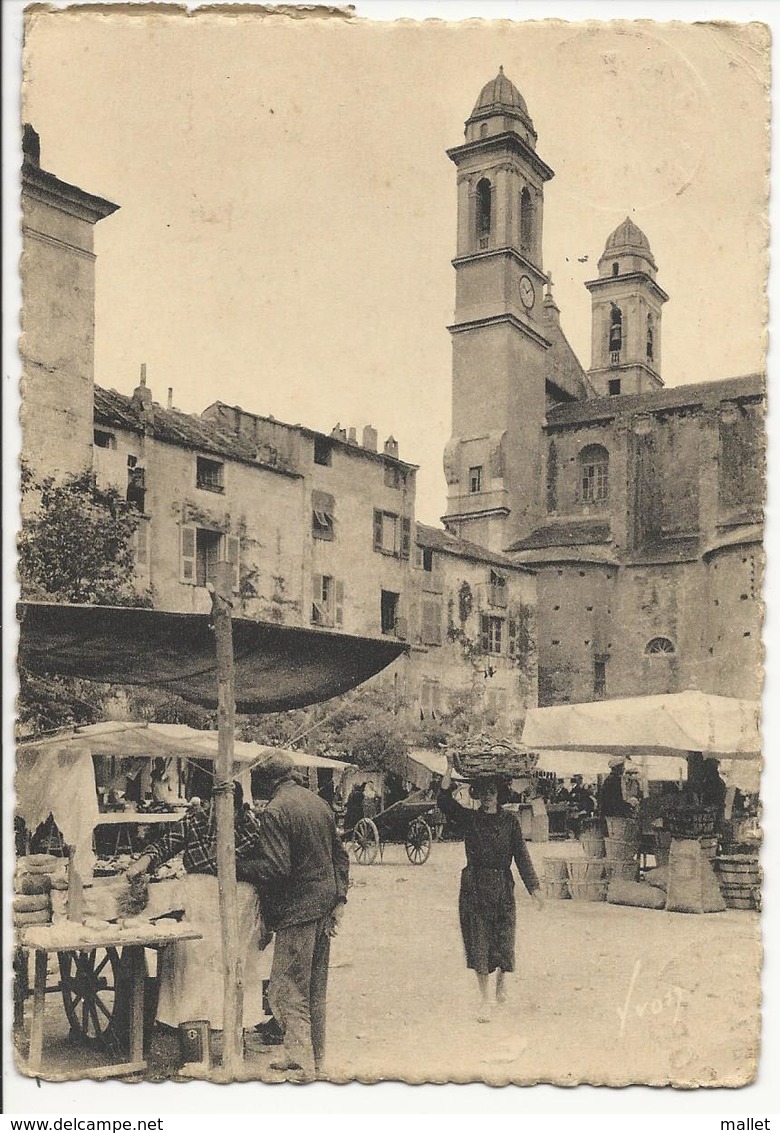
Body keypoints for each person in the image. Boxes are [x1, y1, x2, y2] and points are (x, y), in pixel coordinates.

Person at [237, 750, 350, 1082]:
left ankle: (303, 1065)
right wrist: (339, 898)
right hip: (324, 905)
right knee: (314, 988)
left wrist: (235, 864)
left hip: (299, 909)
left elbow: (276, 867)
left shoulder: (275, 811)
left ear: (268, 779)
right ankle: (312, 1058)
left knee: (286, 990)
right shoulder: (319, 804)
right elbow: (340, 857)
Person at [125, 782, 268, 1036]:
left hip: (238, 903)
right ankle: (189, 1021)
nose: (218, 813)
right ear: (208, 803)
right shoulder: (195, 820)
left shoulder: (251, 826)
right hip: (199, 901)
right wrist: (142, 863)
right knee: (192, 960)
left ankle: (232, 1022)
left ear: (239, 807)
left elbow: (266, 866)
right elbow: (165, 844)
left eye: (227, 808)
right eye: (214, 806)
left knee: (232, 962)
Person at [437, 754, 543, 1023]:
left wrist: (535, 889)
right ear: (477, 794)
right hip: (474, 886)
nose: (487, 797)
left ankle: (500, 985)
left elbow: (521, 855)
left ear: (500, 795)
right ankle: (485, 999)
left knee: (504, 940)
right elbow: (444, 801)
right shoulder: (470, 819)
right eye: (483, 792)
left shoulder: (510, 822)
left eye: (492, 792)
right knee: (479, 941)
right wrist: (449, 767)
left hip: (503, 887)